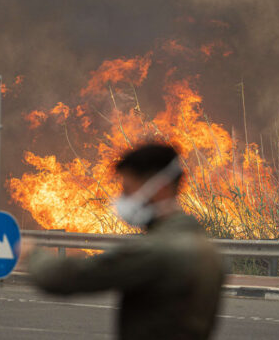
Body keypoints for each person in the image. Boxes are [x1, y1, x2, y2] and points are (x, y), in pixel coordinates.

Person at [22, 143, 224, 340]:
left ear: (160, 188)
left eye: (128, 189)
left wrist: (32, 254)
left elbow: (71, 276)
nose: (123, 198)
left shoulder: (157, 252)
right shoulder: (205, 249)